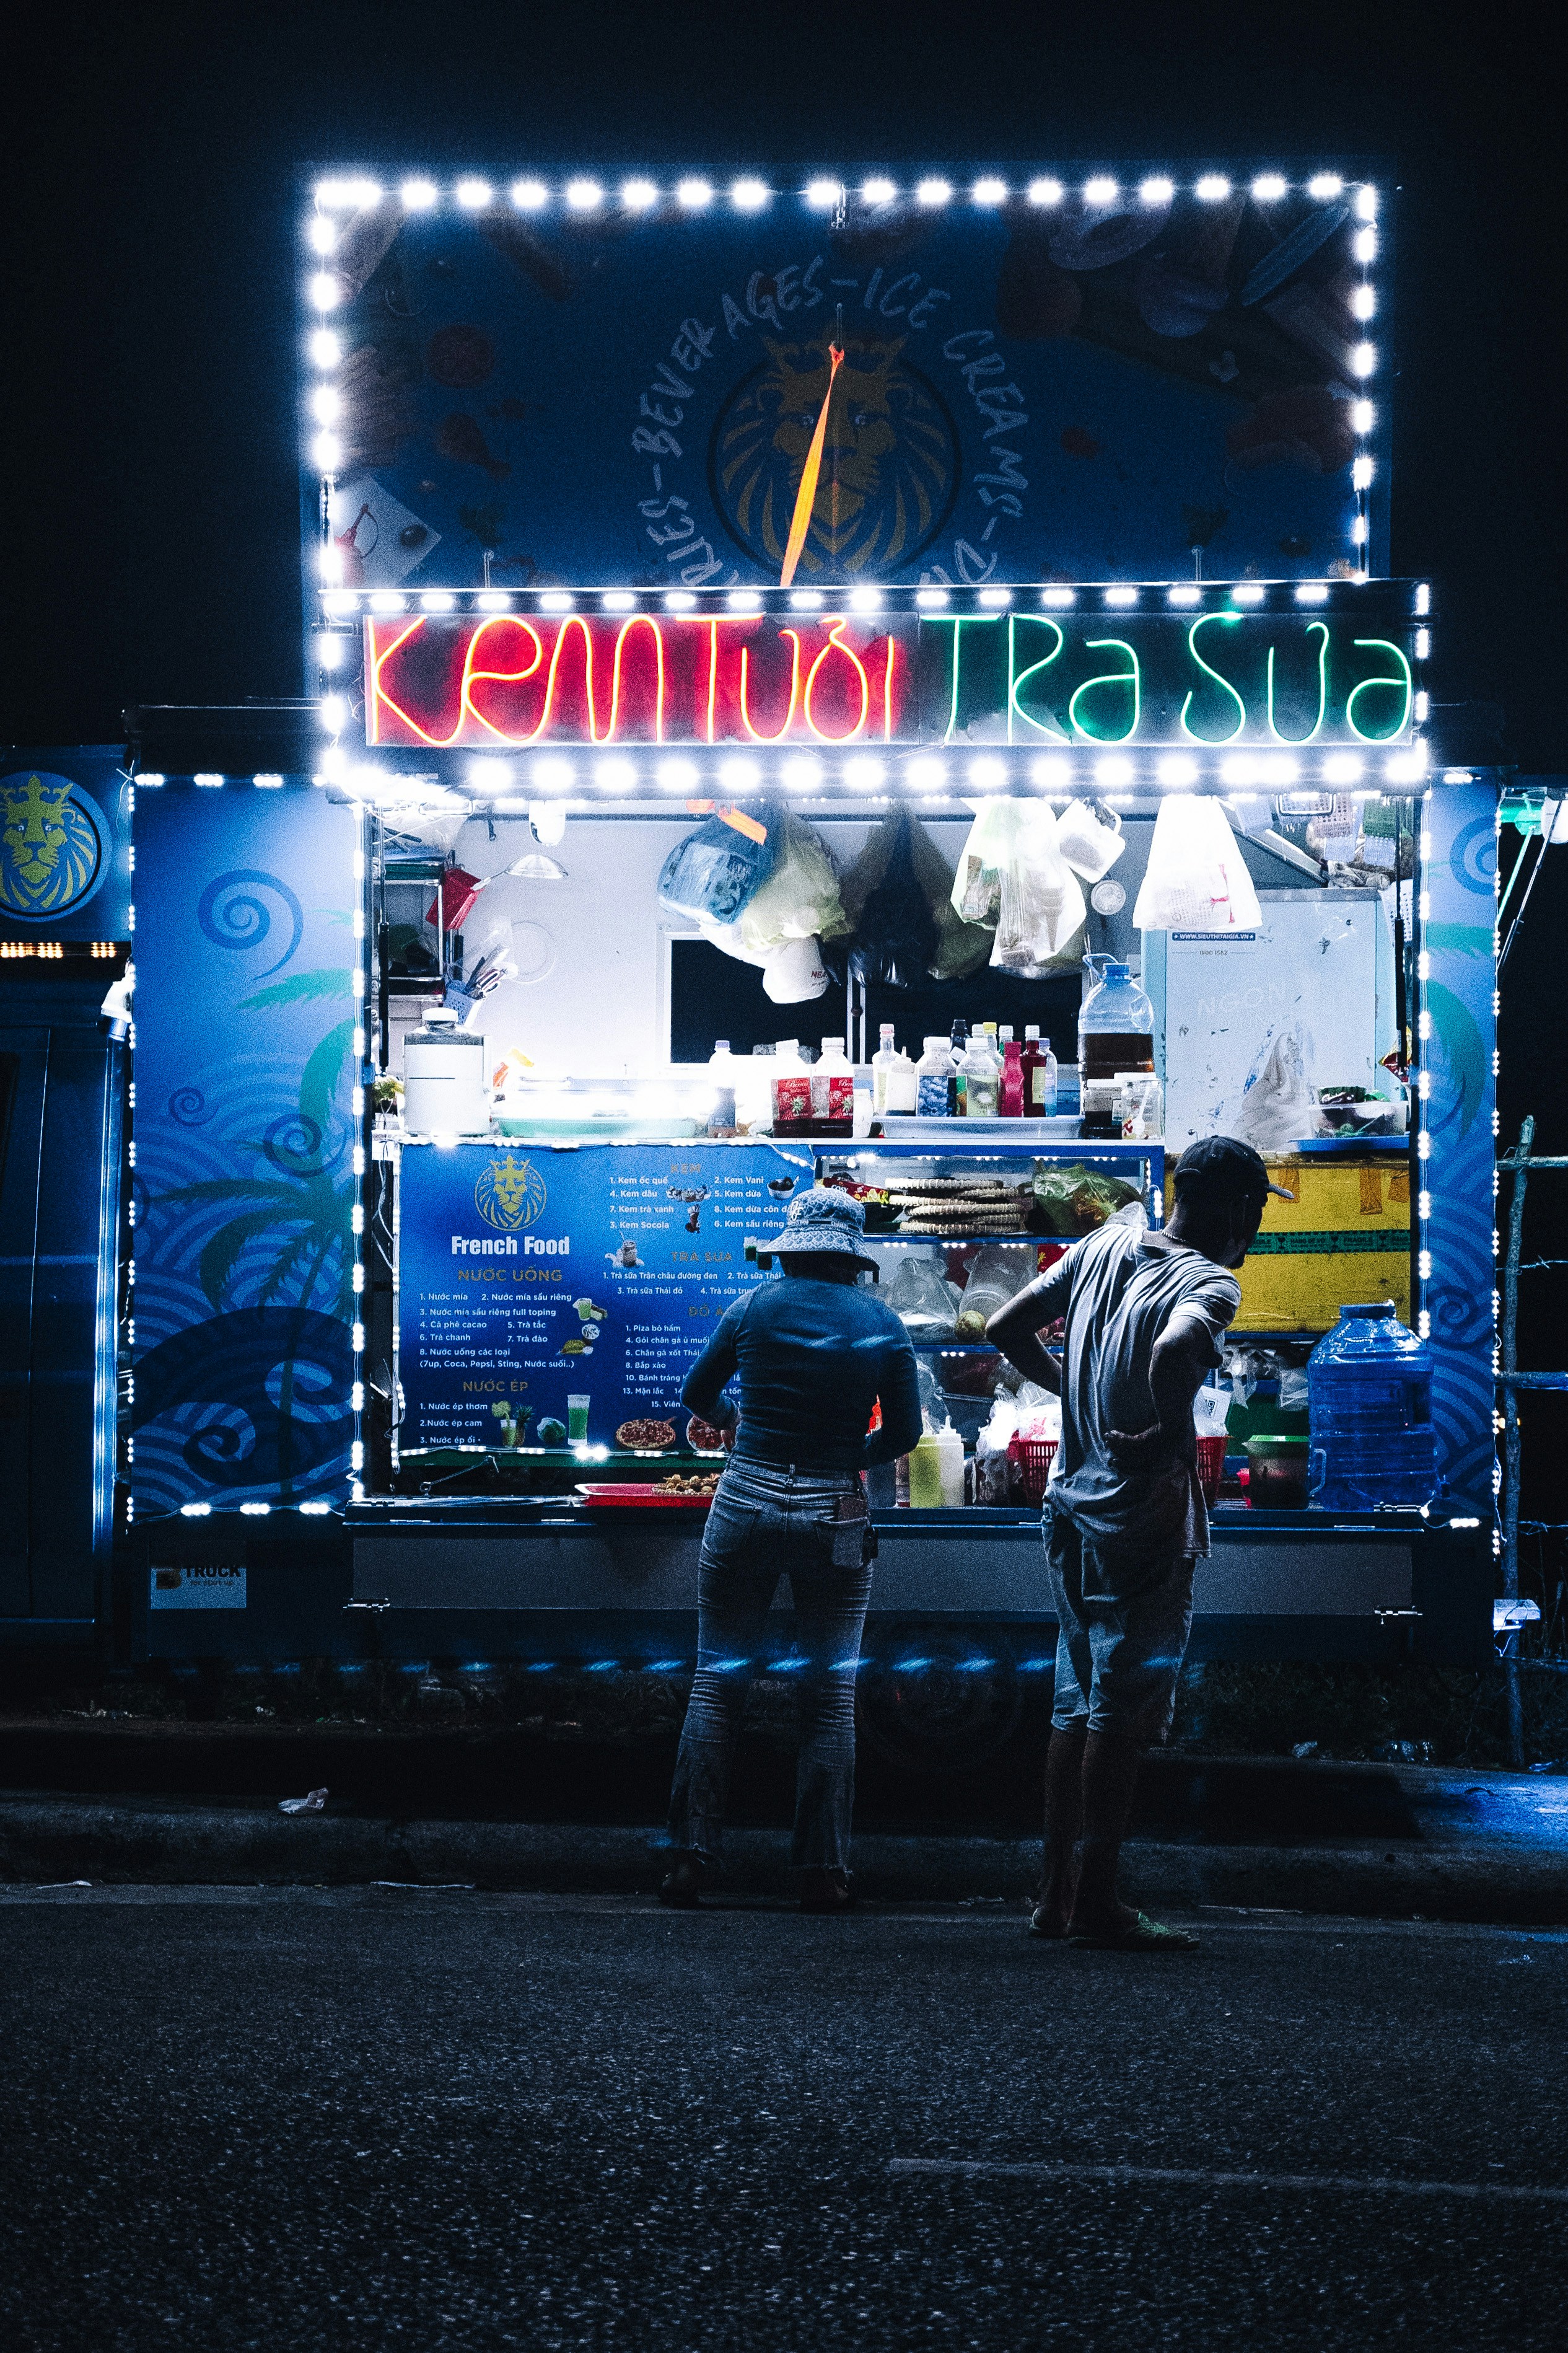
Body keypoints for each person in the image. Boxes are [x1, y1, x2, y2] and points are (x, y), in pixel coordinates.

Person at [986, 1136, 1289, 1952]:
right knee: (1116, 1719)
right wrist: (1162, 1434)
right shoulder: (1210, 1281)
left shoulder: (1104, 1239)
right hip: (1137, 1521)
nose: (1255, 1224)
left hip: (1067, 1508)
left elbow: (1004, 1324)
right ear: (1235, 1207)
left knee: (1072, 1704)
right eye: (1257, 1208)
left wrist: (1073, 1389)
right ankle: (1095, 1904)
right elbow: (1172, 1350)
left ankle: (1053, 1897)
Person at [661, 1186, 922, 1915]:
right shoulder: (882, 1322)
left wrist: (740, 1425)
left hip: (742, 1500)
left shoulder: (750, 1308)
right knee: (828, 1696)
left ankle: (688, 1858)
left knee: (718, 1681)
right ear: (849, 1256)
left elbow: (695, 1392)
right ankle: (820, 1870)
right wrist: (844, 1457)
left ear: (790, 1245)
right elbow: (903, 1433)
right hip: (831, 1510)